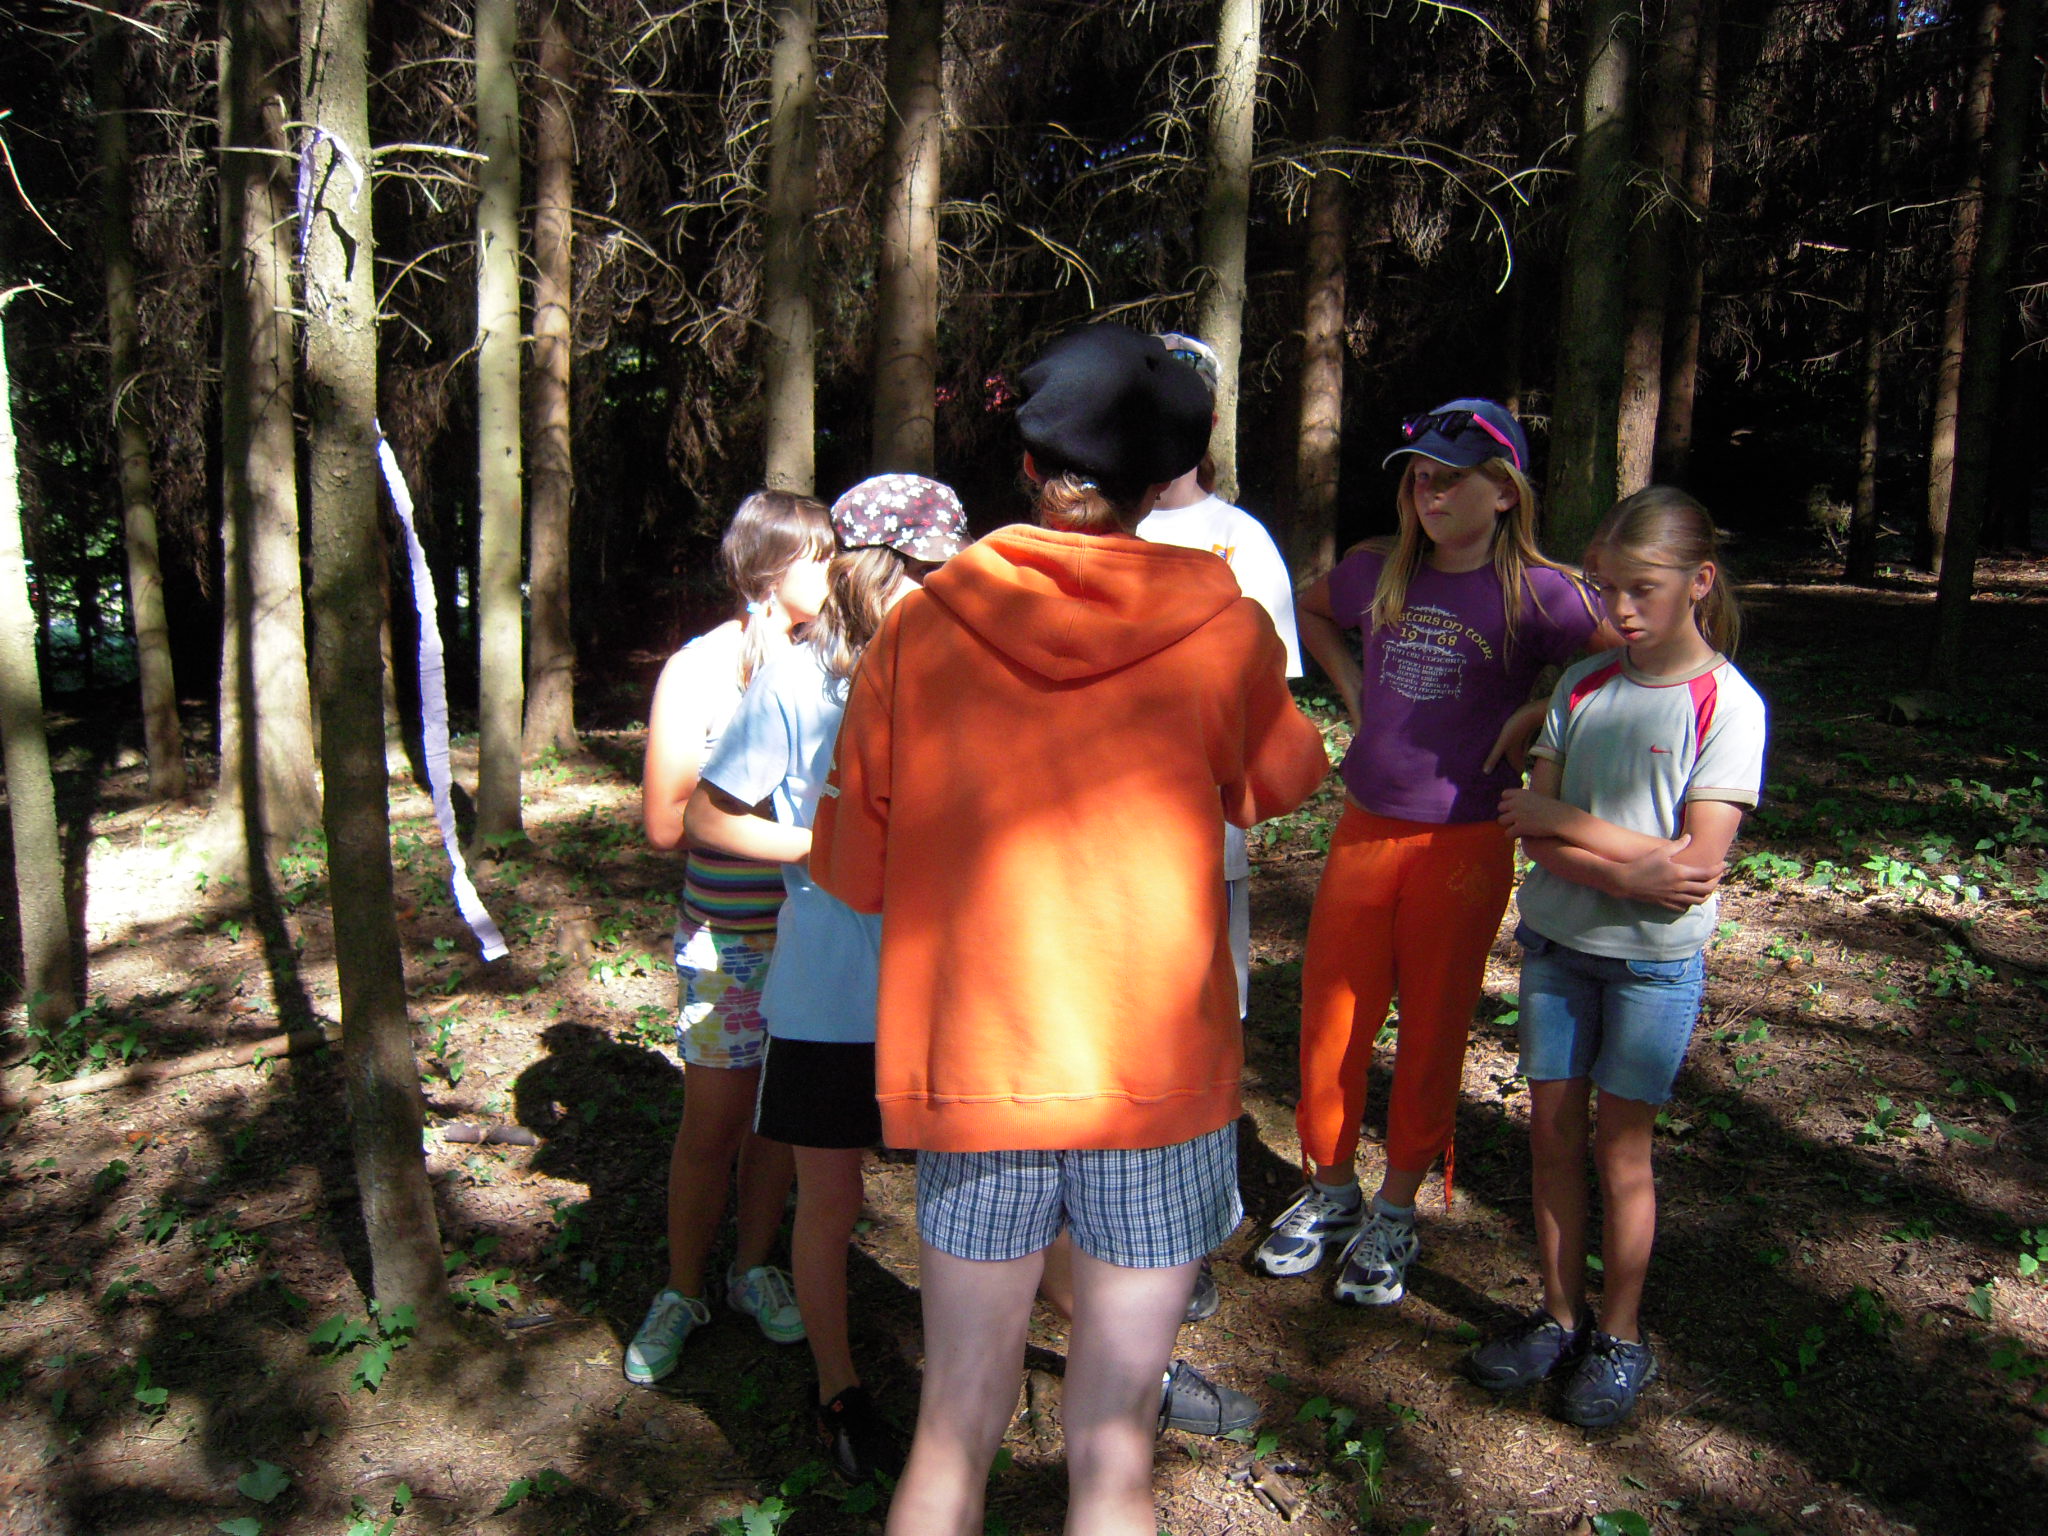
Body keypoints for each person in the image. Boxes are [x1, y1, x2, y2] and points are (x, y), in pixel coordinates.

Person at [812, 324, 1329, 1536]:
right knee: (1112, 1449)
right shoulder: (1222, 628)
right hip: (1155, 1080)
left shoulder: (919, 630)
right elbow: (1281, 780)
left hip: (975, 1073)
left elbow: (851, 868)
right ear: (1164, 480)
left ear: (1029, 464)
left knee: (953, 1428)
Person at [1256, 399, 1614, 1309]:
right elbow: (1311, 611)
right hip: (1365, 828)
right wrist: (1354, 690)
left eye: (1451, 479)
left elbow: (1628, 658)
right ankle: (1331, 1187)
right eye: (1419, 476)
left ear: (1505, 492)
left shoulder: (1543, 593)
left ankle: (1397, 1207)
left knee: (1432, 1025)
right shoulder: (1379, 570)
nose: (1430, 492)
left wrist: (1544, 711)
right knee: (1332, 1016)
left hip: (1465, 841)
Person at [685, 473, 969, 1480]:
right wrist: (819, 844)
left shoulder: (971, 668)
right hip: (828, 991)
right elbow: (707, 813)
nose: (940, 589)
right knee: (830, 1198)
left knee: (977, 1193)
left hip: (947, 989)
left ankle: (997, 1380)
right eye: (922, 572)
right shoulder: (798, 678)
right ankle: (838, 1391)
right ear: (874, 571)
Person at [1469, 486, 1764, 1426]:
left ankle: (1622, 1337)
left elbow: (1698, 866)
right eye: (1606, 591)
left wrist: (1573, 826)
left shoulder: (1728, 705)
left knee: (1622, 1151)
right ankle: (1560, 1317)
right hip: (1557, 946)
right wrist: (1636, 866)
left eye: (1643, 589)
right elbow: (1532, 829)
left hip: (1651, 967)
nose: (1621, 610)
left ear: (1700, 582)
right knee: (1551, 1135)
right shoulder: (1583, 685)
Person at [626, 492, 833, 1387]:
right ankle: (681, 1288)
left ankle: (753, 1270)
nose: (838, 571)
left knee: (780, 1120)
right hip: (730, 940)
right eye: (821, 556)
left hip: (815, 936)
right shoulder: (700, 670)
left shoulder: (836, 662)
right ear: (770, 572)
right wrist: (809, 842)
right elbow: (666, 821)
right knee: (713, 1122)